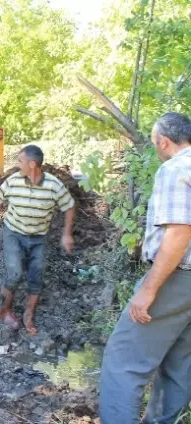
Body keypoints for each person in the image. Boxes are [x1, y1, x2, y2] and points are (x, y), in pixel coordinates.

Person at [99, 112, 191, 424]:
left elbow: (179, 233)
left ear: (164, 142)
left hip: (178, 279)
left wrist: (149, 290)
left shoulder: (176, 169)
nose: (156, 149)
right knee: (180, 363)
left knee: (123, 361)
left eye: (154, 144)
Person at [0, 145, 76, 334]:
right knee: (15, 273)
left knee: (36, 277)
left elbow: (69, 206)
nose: (17, 165)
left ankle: (28, 315)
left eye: (20, 161)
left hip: (39, 237)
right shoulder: (13, 181)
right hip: (14, 233)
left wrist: (66, 234)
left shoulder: (53, 185)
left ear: (32, 164)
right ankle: (5, 310)